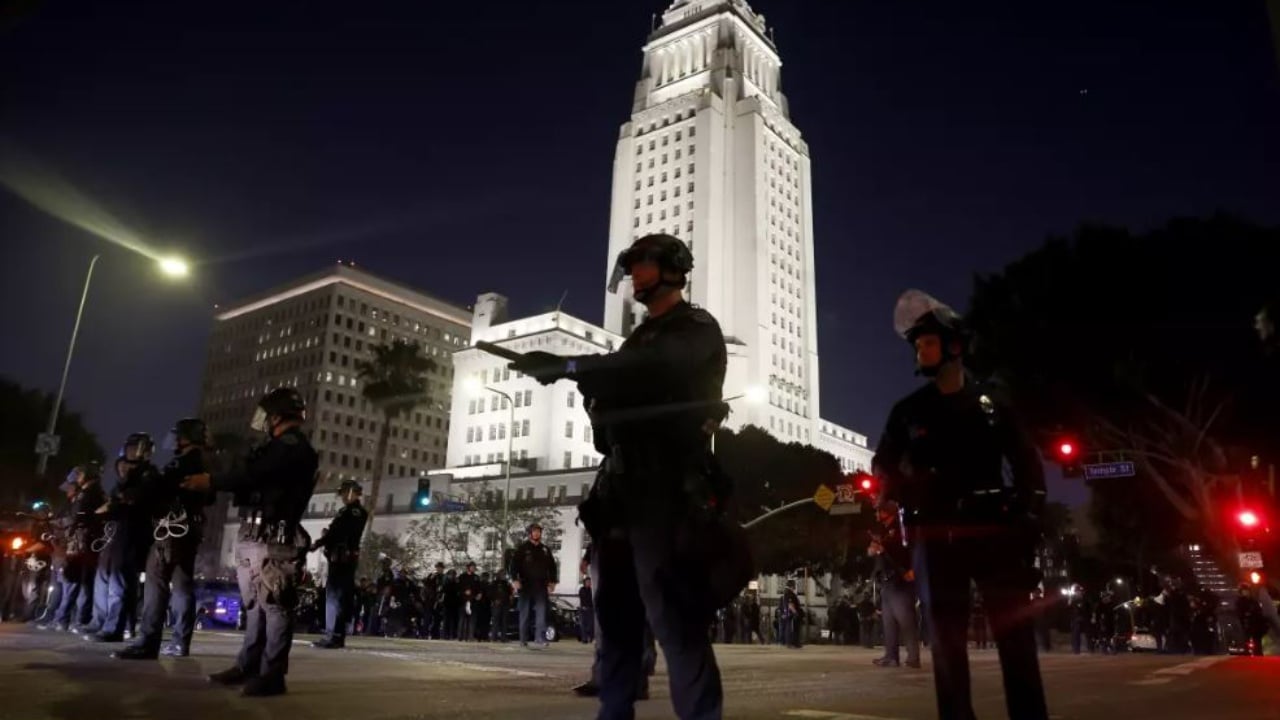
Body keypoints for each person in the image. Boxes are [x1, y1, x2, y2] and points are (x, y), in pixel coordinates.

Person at [510, 233, 738, 719]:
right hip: (619, 491)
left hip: (666, 493)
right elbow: (616, 390)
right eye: (632, 266)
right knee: (614, 622)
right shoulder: (638, 338)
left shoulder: (695, 326)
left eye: (644, 265)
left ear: (672, 269)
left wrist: (572, 364)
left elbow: (654, 366)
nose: (636, 275)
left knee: (675, 623)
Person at [872, 289, 1049, 720]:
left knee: (1016, 642)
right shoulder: (908, 412)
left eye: (928, 342)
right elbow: (883, 464)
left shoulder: (992, 403)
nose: (920, 350)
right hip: (936, 536)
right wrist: (894, 486)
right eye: (916, 344)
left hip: (995, 532)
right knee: (948, 650)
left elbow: (1028, 465)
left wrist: (1029, 519)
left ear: (953, 345)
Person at [182, 386, 319, 697]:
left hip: (275, 537)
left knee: (274, 606)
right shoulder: (277, 446)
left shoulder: (293, 447)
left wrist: (213, 480)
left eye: (267, 415)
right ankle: (248, 666)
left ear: (277, 415)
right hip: (257, 534)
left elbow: (253, 475)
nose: (263, 421)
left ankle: (272, 675)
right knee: (255, 604)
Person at [114, 418, 211, 659]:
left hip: (171, 532)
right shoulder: (204, 462)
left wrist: (131, 484)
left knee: (156, 584)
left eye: (178, 434)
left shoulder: (181, 463)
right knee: (182, 587)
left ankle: (148, 642)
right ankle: (180, 642)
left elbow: (154, 491)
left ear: (186, 437)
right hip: (190, 529)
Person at [86, 433, 159, 643]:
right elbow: (115, 502)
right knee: (110, 580)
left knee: (120, 583)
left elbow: (131, 500)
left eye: (132, 448)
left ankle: (114, 628)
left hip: (134, 532)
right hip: (119, 532)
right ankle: (107, 623)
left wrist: (117, 502)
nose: (127, 454)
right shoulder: (128, 477)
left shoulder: (147, 474)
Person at [310, 479, 367, 649]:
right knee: (337, 598)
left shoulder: (352, 512)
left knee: (336, 598)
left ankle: (333, 635)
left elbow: (336, 533)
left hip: (342, 558)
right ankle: (334, 634)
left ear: (350, 492)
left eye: (343, 493)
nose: (342, 497)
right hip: (341, 558)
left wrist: (319, 543)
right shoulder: (352, 511)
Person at [869, 500, 920, 668]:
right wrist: (873, 550)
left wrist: (912, 569)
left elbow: (908, 550)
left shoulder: (902, 529)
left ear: (887, 513)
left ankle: (913, 658)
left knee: (906, 621)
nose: (877, 515)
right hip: (886, 581)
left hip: (900, 580)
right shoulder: (884, 531)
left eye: (879, 511)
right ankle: (891, 656)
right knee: (888, 622)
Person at [510, 523, 558, 648]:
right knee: (524, 613)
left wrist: (552, 582)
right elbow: (513, 565)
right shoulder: (522, 548)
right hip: (525, 585)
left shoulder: (545, 550)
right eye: (534, 531)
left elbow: (552, 567)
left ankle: (540, 638)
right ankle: (523, 639)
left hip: (541, 586)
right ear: (530, 533)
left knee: (541, 613)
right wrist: (515, 580)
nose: (537, 533)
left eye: (539, 531)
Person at [578, 576, 595, 643]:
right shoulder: (582, 589)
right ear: (584, 583)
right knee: (583, 624)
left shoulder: (591, 590)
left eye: (590, 582)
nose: (589, 583)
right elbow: (583, 598)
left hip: (590, 609)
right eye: (587, 582)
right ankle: (584, 638)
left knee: (590, 625)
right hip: (583, 609)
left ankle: (590, 637)